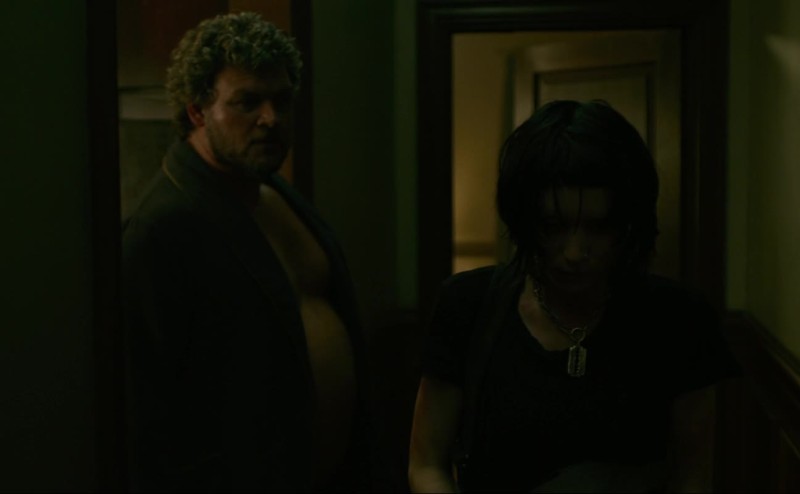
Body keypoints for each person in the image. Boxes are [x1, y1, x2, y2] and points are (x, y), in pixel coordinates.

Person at [408, 100, 740, 493]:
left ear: (627, 224)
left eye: (598, 227)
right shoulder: (468, 305)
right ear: (525, 220)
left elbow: (693, 477)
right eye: (553, 226)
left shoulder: (680, 319)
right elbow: (426, 464)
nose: (574, 252)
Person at [121, 12, 371, 492]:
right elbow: (147, 416)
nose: (270, 119)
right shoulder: (161, 229)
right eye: (247, 102)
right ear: (198, 111)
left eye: (281, 100)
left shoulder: (275, 195)